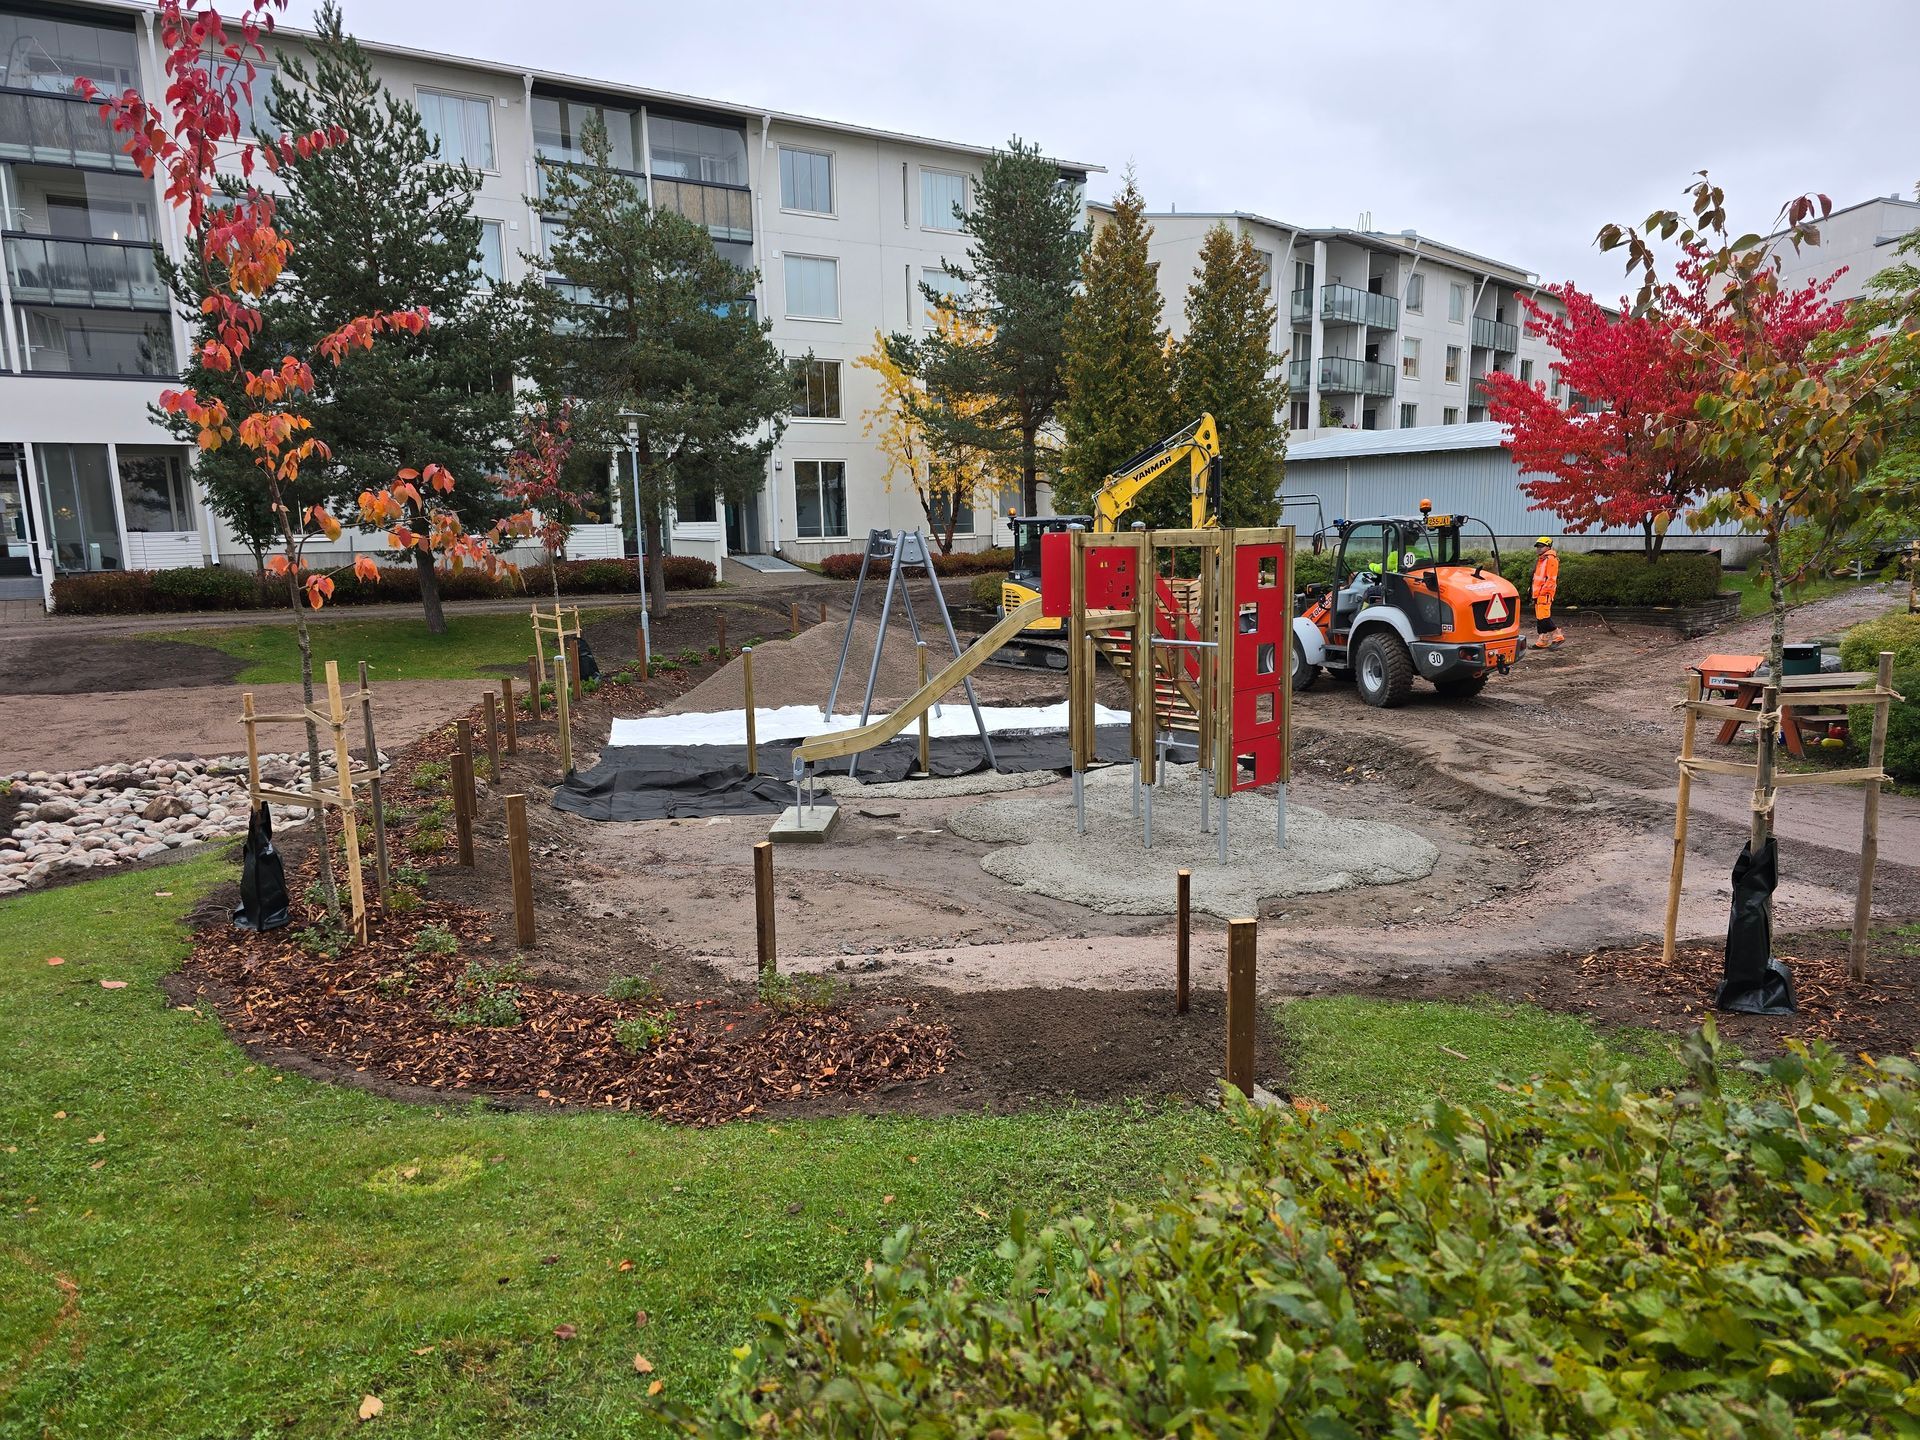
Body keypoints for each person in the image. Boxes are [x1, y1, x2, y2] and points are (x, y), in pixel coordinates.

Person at [1531, 536, 1564, 649]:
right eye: (1537, 546)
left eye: (1541, 546)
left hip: (1544, 594)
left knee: (1544, 618)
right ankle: (1543, 640)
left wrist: (1543, 592)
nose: (1538, 548)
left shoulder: (1550, 559)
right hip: (1538, 593)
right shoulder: (1542, 559)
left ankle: (1557, 636)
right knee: (1540, 618)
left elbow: (1551, 579)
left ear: (1548, 547)